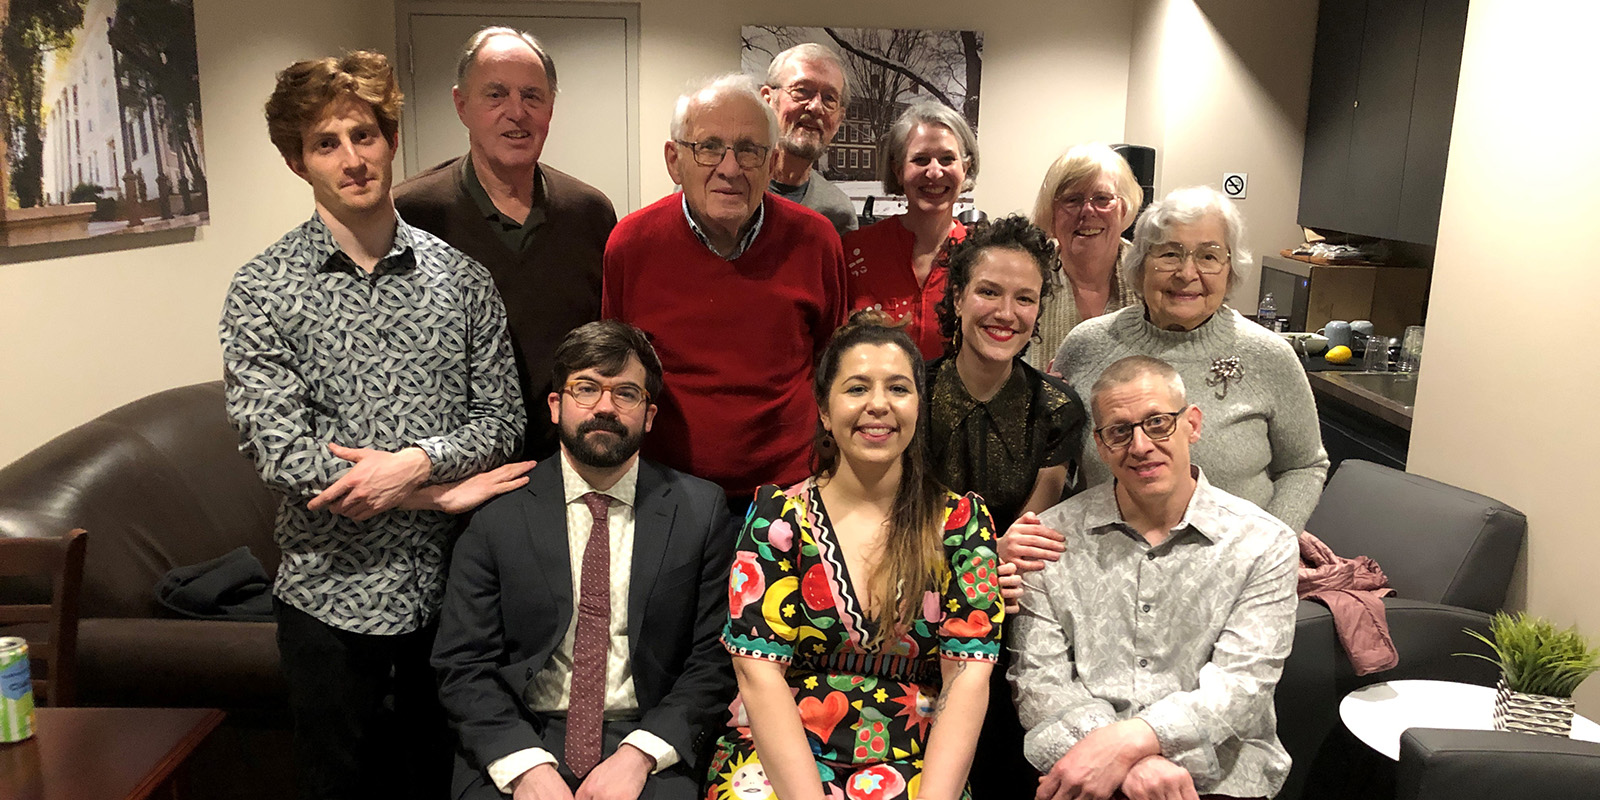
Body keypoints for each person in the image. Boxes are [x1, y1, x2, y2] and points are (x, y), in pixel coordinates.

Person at [221, 51, 528, 800]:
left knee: (444, 782)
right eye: (327, 144)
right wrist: (426, 492)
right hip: (330, 598)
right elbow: (281, 450)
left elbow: (502, 420)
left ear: (390, 139)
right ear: (299, 162)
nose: (352, 159)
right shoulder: (260, 289)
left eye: (364, 135)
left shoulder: (462, 280)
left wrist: (415, 462)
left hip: (456, 594)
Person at [432, 321, 737, 800]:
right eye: (587, 388)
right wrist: (526, 766)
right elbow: (462, 663)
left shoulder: (701, 511)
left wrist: (640, 755)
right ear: (556, 406)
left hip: (647, 739)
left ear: (649, 414)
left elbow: (714, 659)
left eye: (626, 394)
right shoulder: (497, 513)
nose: (605, 408)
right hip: (522, 736)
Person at [709, 311, 1001, 800]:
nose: (879, 406)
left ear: (919, 406)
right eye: (857, 388)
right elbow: (757, 675)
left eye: (899, 389)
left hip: (914, 757)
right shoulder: (777, 519)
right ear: (824, 409)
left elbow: (967, 681)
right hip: (779, 757)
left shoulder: (960, 524)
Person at [1009, 355, 1297, 800]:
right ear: (1101, 447)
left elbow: (1242, 686)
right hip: (1078, 763)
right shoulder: (1049, 539)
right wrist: (1127, 764)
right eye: (1119, 431)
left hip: (1219, 775)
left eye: (1158, 423)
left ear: (1193, 425)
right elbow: (1038, 681)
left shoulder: (1264, 544)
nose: (1140, 446)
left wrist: (1127, 745)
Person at [603, 74, 847, 508]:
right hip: (665, 496)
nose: (730, 168)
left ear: (773, 163)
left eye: (749, 150)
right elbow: (617, 373)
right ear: (674, 160)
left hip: (790, 495)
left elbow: (834, 366)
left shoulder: (816, 240)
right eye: (709, 147)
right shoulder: (631, 245)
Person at [395, 26, 617, 460]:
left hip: (566, 465)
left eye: (532, 96)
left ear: (551, 107)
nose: (516, 112)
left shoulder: (590, 213)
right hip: (452, 469)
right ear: (462, 105)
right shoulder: (410, 214)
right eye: (495, 94)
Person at [1052, 185, 1328, 531]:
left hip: (1234, 566)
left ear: (1230, 269)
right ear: (1141, 265)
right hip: (1109, 556)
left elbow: (1304, 466)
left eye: (1208, 257)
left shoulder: (1269, 356)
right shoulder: (1088, 344)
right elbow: (1053, 461)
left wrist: (1268, 545)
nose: (1187, 273)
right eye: (1169, 254)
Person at [924, 215, 1086, 800]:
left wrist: (997, 567)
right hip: (918, 595)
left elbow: (1033, 524)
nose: (1006, 312)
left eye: (1025, 298)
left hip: (1017, 603)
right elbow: (894, 517)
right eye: (989, 292)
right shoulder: (911, 393)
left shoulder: (1059, 407)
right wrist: (978, 562)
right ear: (959, 296)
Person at [842, 103, 978, 359]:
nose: (935, 172)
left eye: (948, 159)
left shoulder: (980, 255)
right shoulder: (854, 251)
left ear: (965, 168)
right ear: (898, 170)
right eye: (920, 160)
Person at [1027, 143, 1144, 372]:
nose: (1087, 211)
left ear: (1123, 208)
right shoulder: (1029, 277)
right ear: (1052, 212)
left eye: (1102, 199)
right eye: (1072, 200)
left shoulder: (1149, 276)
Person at [761, 43, 858, 236]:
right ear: (768, 100)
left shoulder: (838, 213)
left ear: (839, 120)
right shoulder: (725, 187)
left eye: (829, 98)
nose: (815, 107)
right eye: (802, 90)